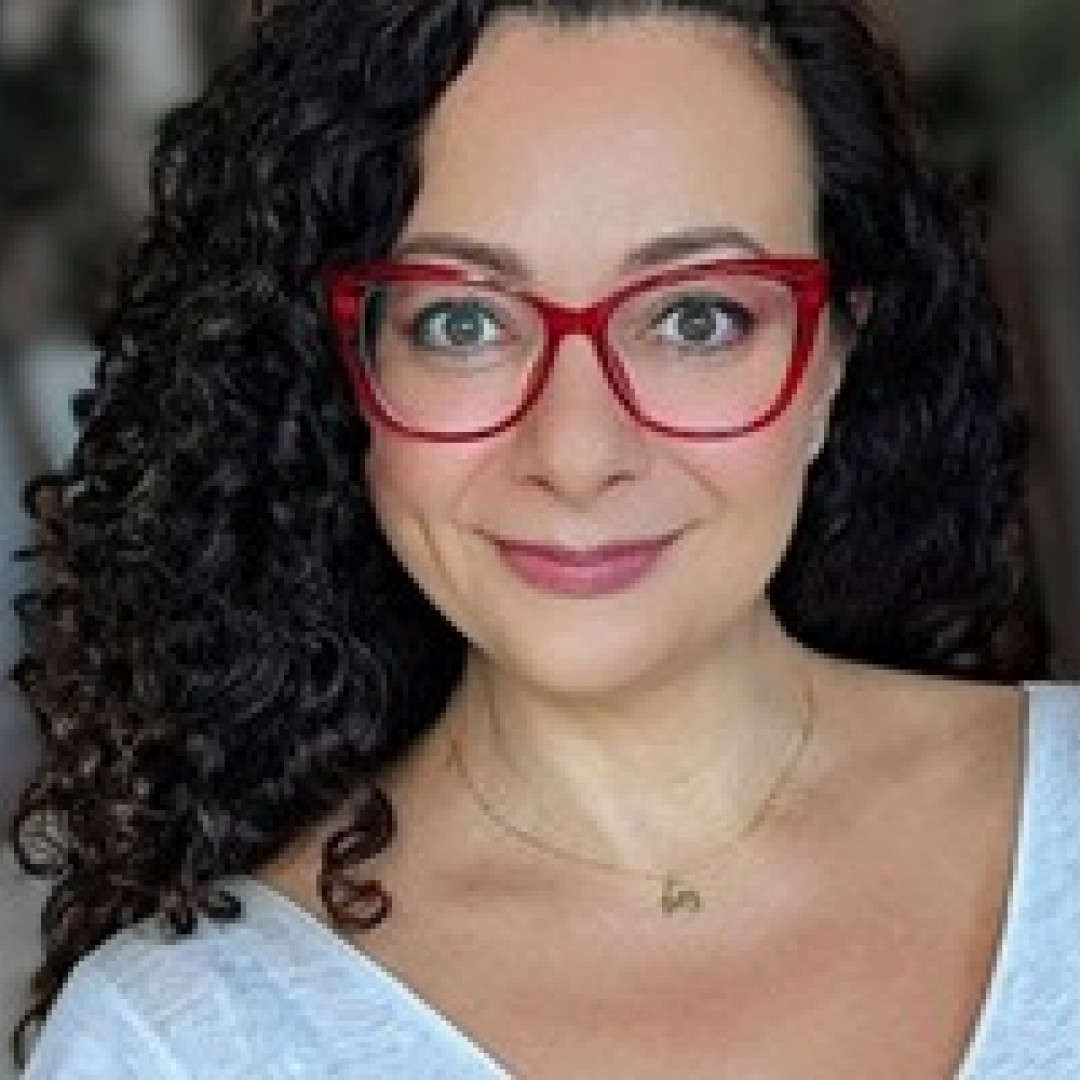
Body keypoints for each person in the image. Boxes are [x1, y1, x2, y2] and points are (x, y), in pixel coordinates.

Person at [9, 0, 1078, 1075]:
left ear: (833, 357)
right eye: (462, 322)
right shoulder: (182, 1046)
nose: (575, 451)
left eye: (695, 318)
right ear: (342, 374)